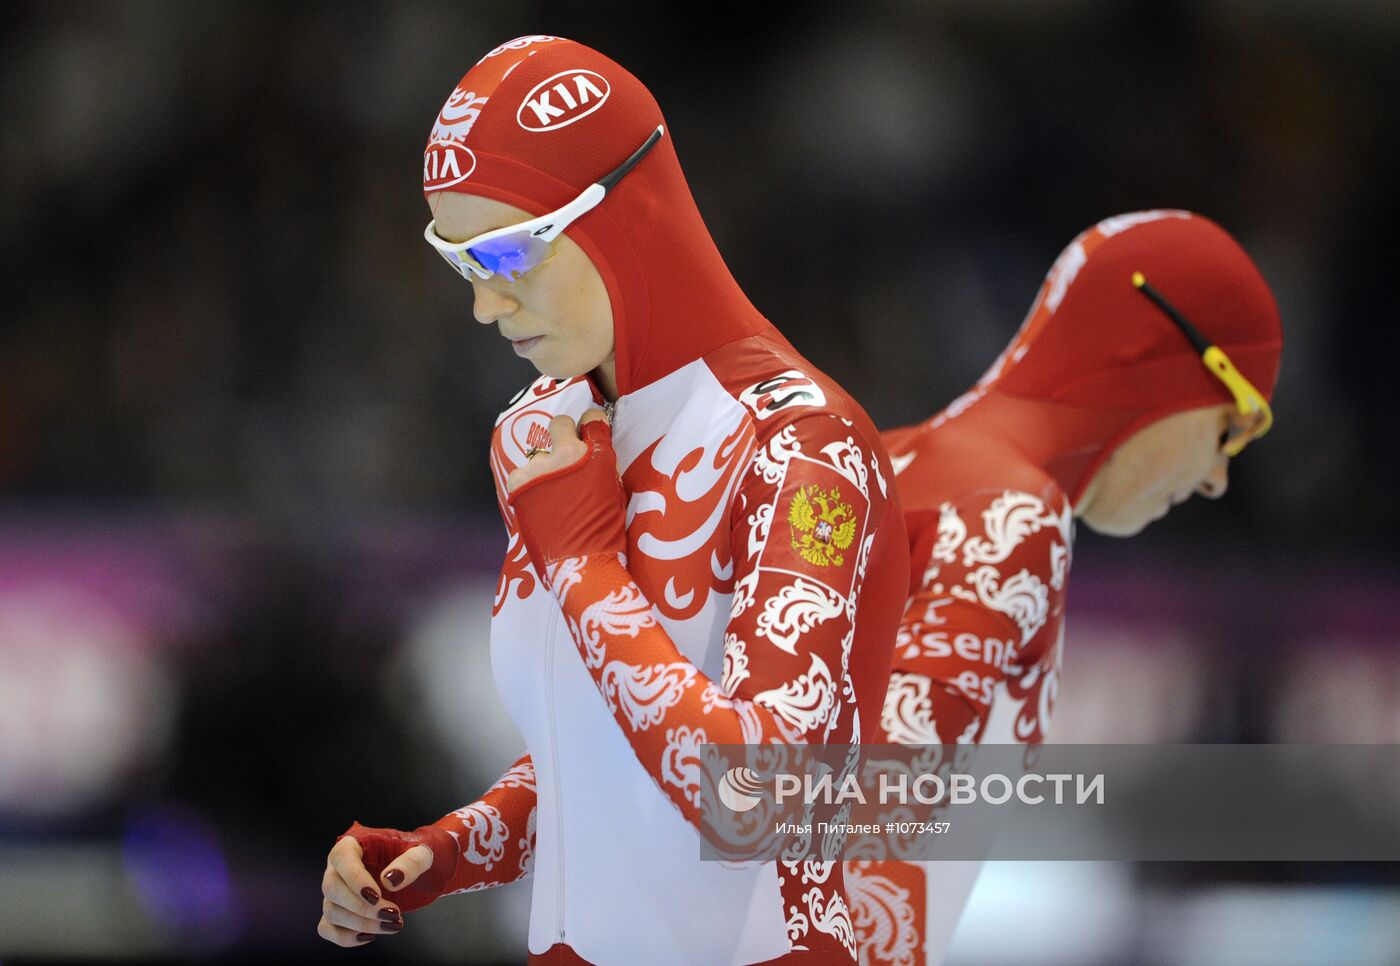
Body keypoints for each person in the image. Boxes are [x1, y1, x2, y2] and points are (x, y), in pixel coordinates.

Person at [315, 35, 909, 964]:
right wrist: (446, 850)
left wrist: (585, 567)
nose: (485, 304)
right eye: (460, 261)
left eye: (510, 251)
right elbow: (597, 758)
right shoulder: (540, 434)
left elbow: (754, 800)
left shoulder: (803, 446)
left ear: (625, 214)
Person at [845, 210, 1283, 966]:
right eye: (1232, 427)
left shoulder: (880, 458)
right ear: (1168, 361)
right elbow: (831, 840)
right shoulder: (1011, 517)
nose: (1217, 477)